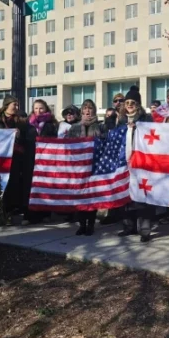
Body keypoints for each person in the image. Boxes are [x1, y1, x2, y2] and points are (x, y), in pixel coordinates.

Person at [116, 86, 155, 242]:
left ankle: (144, 230)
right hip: (125, 162)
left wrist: (137, 129)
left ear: (138, 104)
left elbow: (152, 135)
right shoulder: (120, 121)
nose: (130, 105)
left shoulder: (146, 119)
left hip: (141, 163)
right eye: (127, 102)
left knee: (142, 196)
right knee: (127, 196)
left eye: (133, 102)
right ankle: (128, 226)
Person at [68, 99, 108, 236]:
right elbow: (68, 146)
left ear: (94, 110)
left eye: (90, 108)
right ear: (81, 111)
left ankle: (90, 224)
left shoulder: (100, 126)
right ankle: (82, 224)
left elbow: (105, 143)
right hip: (78, 167)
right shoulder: (74, 128)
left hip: (94, 166)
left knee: (91, 197)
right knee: (80, 196)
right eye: (85, 108)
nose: (87, 110)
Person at [0, 95, 27, 221]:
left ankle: (9, 212)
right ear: (7, 105)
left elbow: (26, 139)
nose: (16, 107)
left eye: (17, 105)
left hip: (14, 158)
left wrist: (19, 135)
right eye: (14, 104)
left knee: (12, 184)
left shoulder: (20, 121)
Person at [22, 99, 59, 225]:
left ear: (46, 109)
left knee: (44, 186)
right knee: (30, 187)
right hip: (30, 160)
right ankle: (29, 215)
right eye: (36, 108)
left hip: (45, 162)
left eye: (41, 108)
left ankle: (45, 214)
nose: (38, 111)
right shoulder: (28, 125)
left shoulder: (51, 124)